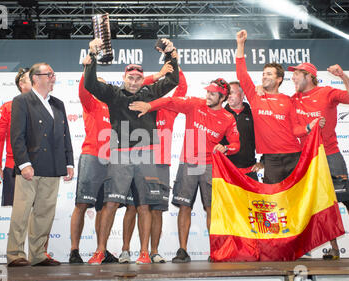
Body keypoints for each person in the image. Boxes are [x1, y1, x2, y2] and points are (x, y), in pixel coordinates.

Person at [84, 37, 179, 265]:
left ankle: (144, 252)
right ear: (124, 78)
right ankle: (100, 250)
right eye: (130, 77)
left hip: (146, 154)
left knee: (144, 204)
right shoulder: (114, 95)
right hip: (120, 154)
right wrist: (92, 55)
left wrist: (170, 54)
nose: (134, 81)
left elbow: (173, 79)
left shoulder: (149, 93)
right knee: (111, 204)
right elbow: (90, 85)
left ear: (141, 79)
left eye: (138, 78)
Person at [129, 78, 240, 263]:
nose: (208, 96)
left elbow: (237, 143)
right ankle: (182, 250)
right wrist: (150, 106)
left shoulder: (228, 118)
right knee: (184, 206)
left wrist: (227, 148)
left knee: (211, 208)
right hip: (188, 162)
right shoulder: (195, 104)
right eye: (208, 92)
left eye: (212, 94)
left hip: (210, 165)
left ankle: (215, 250)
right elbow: (169, 101)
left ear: (223, 98)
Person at [288, 62, 349, 260]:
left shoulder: (327, 92)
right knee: (322, 204)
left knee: (348, 199)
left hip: (330, 155)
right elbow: (294, 130)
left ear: (309, 76)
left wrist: (343, 76)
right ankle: (334, 249)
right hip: (308, 159)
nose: (292, 78)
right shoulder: (293, 100)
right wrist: (309, 128)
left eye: (296, 74)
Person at [120, 60, 188, 264]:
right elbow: (135, 85)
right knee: (133, 207)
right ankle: (125, 250)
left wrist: (175, 64)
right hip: (137, 162)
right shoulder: (137, 105)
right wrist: (157, 75)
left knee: (156, 209)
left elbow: (181, 87)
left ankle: (154, 251)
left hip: (160, 164)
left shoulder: (169, 108)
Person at [7, 62, 74, 267]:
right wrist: (24, 163)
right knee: (22, 210)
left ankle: (38, 255)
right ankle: (15, 254)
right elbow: (16, 136)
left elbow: (65, 135)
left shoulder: (58, 103)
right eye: (49, 74)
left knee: (45, 212)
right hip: (31, 165)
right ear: (36, 78)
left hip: (54, 166)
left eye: (53, 74)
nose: (53, 78)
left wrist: (69, 161)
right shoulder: (22, 101)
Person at [235, 29, 318, 184]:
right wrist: (240, 44)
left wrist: (308, 128)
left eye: (269, 74)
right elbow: (241, 73)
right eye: (263, 74)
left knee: (296, 200)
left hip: (294, 155)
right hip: (271, 159)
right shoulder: (255, 95)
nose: (264, 76)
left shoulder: (289, 100)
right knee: (273, 200)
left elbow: (295, 130)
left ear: (279, 79)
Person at [69, 55, 129, 264]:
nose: (100, 89)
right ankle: (74, 250)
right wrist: (88, 66)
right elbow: (84, 87)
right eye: (97, 85)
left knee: (105, 207)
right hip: (92, 157)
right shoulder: (91, 104)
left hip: (113, 161)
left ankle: (101, 250)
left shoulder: (116, 106)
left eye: (103, 86)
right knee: (82, 204)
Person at [0, 68, 32, 206]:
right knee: (19, 214)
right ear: (22, 83)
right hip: (14, 167)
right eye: (32, 78)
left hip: (42, 168)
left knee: (40, 214)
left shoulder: (49, 106)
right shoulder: (8, 107)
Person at [219, 81, 262, 181]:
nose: (229, 96)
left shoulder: (254, 115)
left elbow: (268, 138)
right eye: (228, 93)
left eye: (232, 92)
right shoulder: (220, 115)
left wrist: (263, 161)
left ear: (242, 95)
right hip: (226, 172)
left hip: (249, 171)